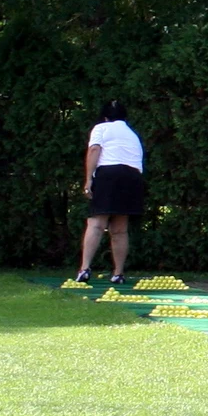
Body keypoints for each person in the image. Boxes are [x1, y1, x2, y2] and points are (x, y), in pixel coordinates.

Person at [78, 100, 145, 285]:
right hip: (133, 177)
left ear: (105, 117)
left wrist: (89, 179)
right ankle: (118, 273)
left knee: (97, 223)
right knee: (120, 228)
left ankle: (84, 269)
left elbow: (94, 150)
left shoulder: (102, 128)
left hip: (109, 174)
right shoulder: (132, 134)